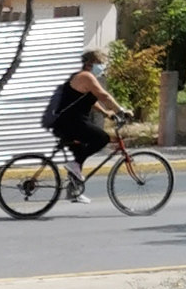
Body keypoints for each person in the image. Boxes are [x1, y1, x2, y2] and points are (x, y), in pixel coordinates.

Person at [42, 57, 127, 197]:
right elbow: (103, 96)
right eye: (99, 64)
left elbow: (92, 101)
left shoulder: (84, 78)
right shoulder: (86, 76)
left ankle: (74, 191)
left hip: (69, 122)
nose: (102, 67)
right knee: (102, 138)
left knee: (80, 152)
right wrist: (121, 110)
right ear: (89, 64)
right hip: (70, 123)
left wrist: (106, 113)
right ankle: (74, 169)